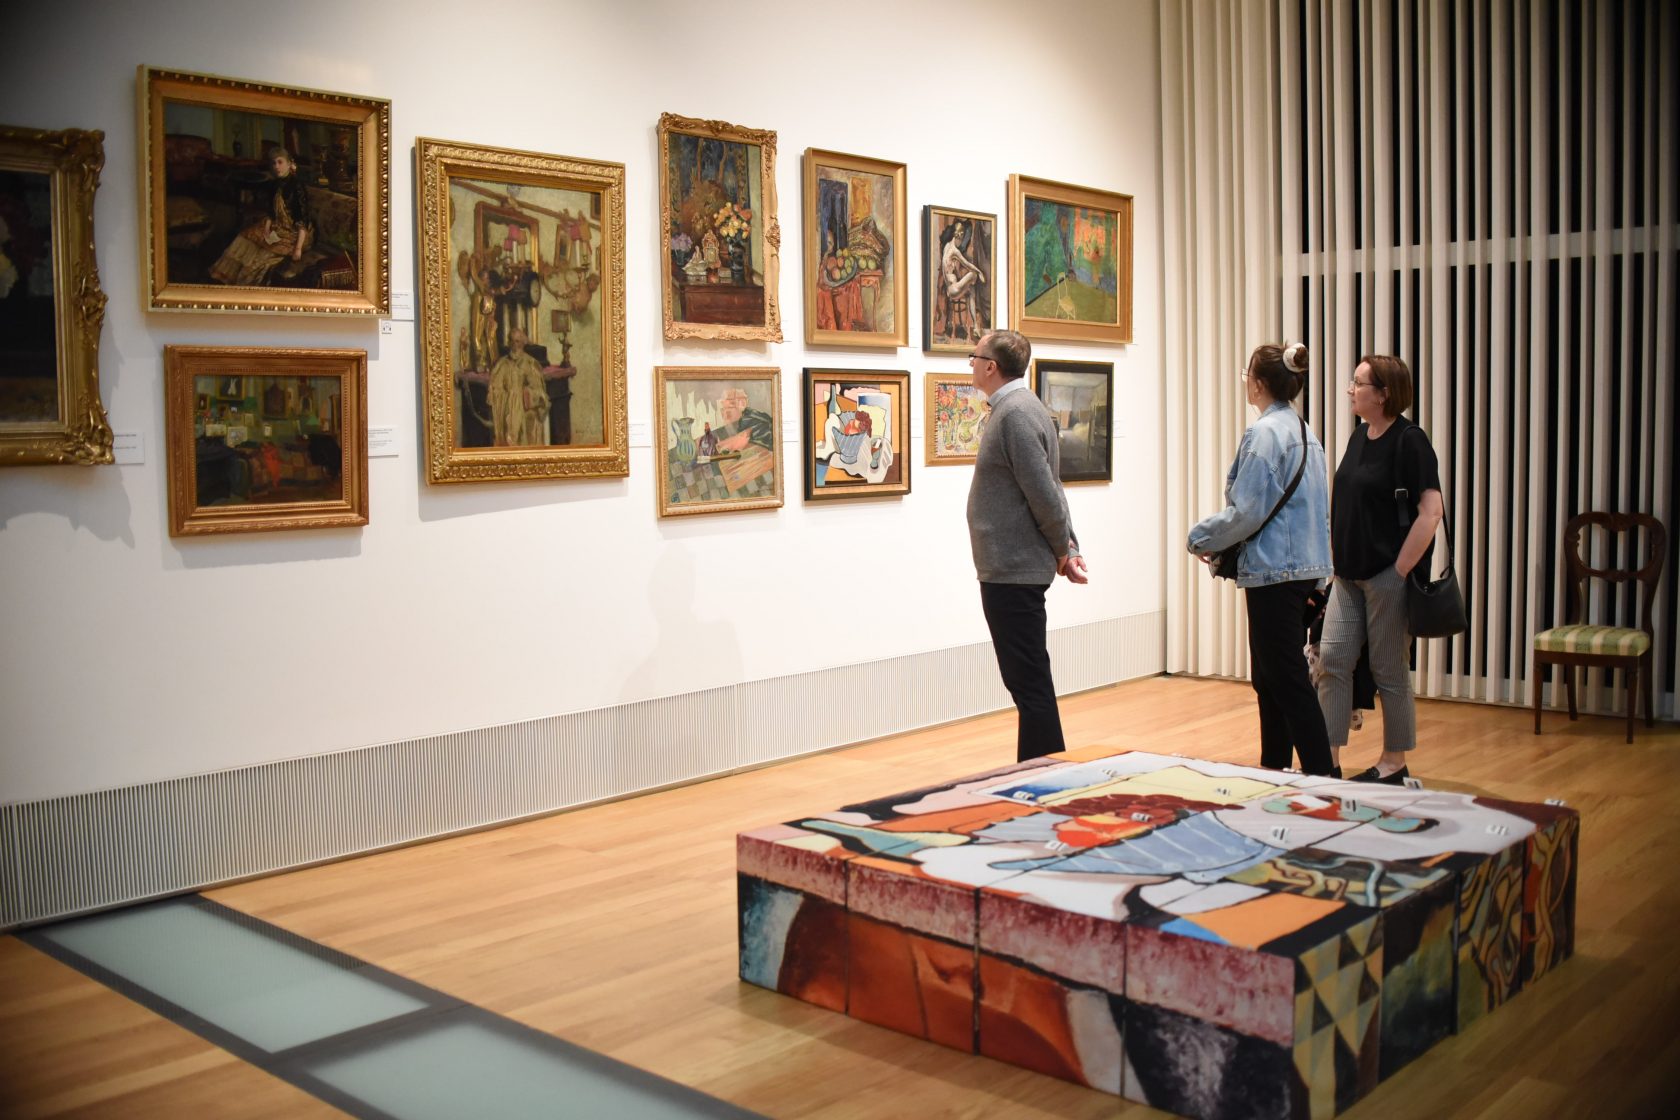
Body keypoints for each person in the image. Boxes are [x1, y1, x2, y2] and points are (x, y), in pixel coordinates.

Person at [1187, 343, 1336, 777]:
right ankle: (1274, 770)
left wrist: (1199, 537)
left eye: (1247, 376)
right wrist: (1322, 576)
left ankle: (1322, 776)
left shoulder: (1265, 434)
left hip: (1274, 571)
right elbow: (1318, 511)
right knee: (1272, 679)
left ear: (1257, 384)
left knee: (1284, 679)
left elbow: (1247, 511)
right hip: (1302, 569)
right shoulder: (1306, 432)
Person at [1317, 354, 1443, 783]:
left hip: (1386, 575)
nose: (1350, 390)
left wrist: (1400, 570)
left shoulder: (1410, 441)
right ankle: (1327, 761)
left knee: (1389, 670)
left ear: (1383, 394)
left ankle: (1394, 762)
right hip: (1347, 575)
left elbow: (1431, 511)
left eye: (1358, 383)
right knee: (1332, 660)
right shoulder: (1359, 436)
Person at [966, 329, 1088, 762]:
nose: (970, 364)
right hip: (1010, 566)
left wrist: (1064, 550)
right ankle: (1041, 768)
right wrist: (1068, 546)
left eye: (974, 356)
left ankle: (1045, 771)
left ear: (991, 366)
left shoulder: (1015, 413)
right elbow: (1052, 486)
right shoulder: (1020, 408)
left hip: (1014, 568)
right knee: (1027, 680)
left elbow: (1044, 492)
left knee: (1029, 682)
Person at [209, 146, 315, 286]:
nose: (276, 166)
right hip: (277, 225)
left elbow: (302, 219)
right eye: (274, 163)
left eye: (280, 162)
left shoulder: (297, 187)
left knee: (261, 257)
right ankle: (225, 280)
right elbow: (271, 211)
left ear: (289, 163)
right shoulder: (274, 184)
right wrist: (266, 229)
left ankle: (246, 285)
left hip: (296, 232)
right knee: (245, 237)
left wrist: (298, 248)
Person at [487, 328, 550, 446]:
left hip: (523, 410)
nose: (514, 345)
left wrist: (527, 395)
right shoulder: (502, 364)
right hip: (506, 410)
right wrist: (501, 396)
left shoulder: (530, 363)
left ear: (522, 343)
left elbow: (539, 391)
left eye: (517, 341)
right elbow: (495, 387)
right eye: (511, 341)